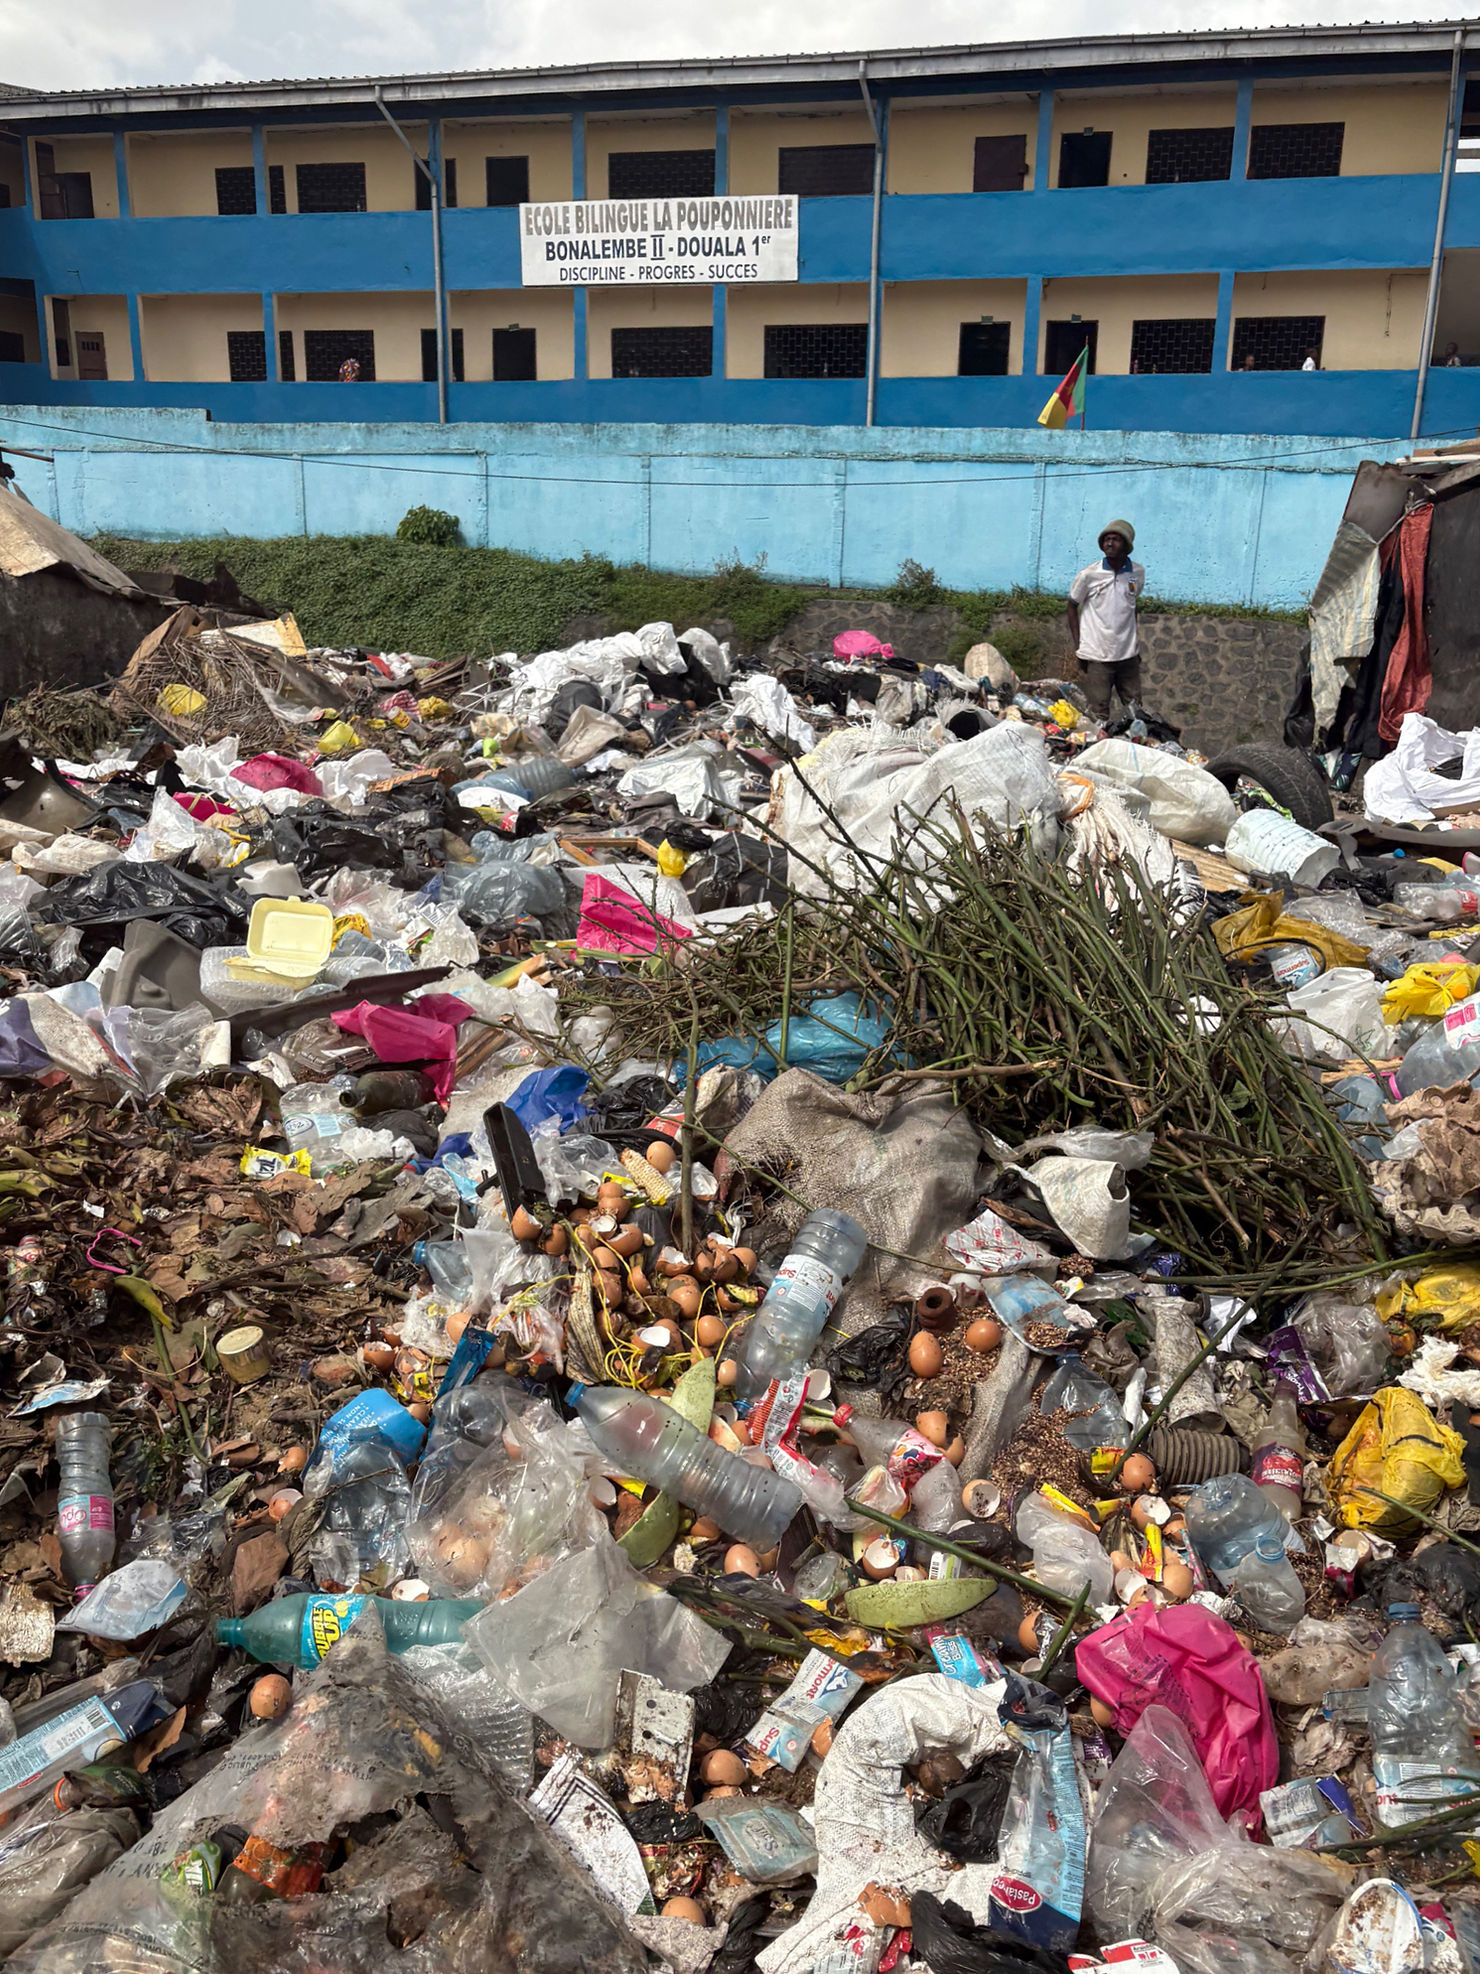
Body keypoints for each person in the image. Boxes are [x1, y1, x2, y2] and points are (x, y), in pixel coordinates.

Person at [1067, 521, 1145, 723]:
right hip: (1097, 655)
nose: (1109, 544)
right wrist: (1079, 646)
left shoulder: (1137, 573)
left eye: (1115, 539)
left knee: (1135, 711)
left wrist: (1135, 644)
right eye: (1106, 540)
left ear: (1126, 545)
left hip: (1128, 656)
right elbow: (1072, 606)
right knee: (1099, 714)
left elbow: (1131, 607)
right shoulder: (1089, 575)